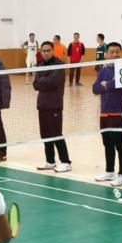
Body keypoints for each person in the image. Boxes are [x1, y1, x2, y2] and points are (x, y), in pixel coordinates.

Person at [92, 42, 122, 187]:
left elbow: (120, 85)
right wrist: (108, 84)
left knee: (119, 144)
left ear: (121, 53)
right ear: (106, 54)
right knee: (107, 143)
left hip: (118, 113)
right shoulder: (103, 71)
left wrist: (106, 85)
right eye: (111, 52)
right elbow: (95, 89)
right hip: (104, 113)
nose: (114, 54)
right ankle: (109, 171)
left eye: (117, 52)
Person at [33, 41, 72, 173]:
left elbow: (53, 82)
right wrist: (44, 81)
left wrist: (42, 81)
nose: (46, 53)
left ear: (53, 51)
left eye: (48, 50)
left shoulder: (58, 65)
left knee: (56, 134)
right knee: (45, 134)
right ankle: (50, 161)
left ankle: (66, 162)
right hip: (42, 105)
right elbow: (35, 84)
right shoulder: (40, 65)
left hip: (54, 105)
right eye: (43, 51)